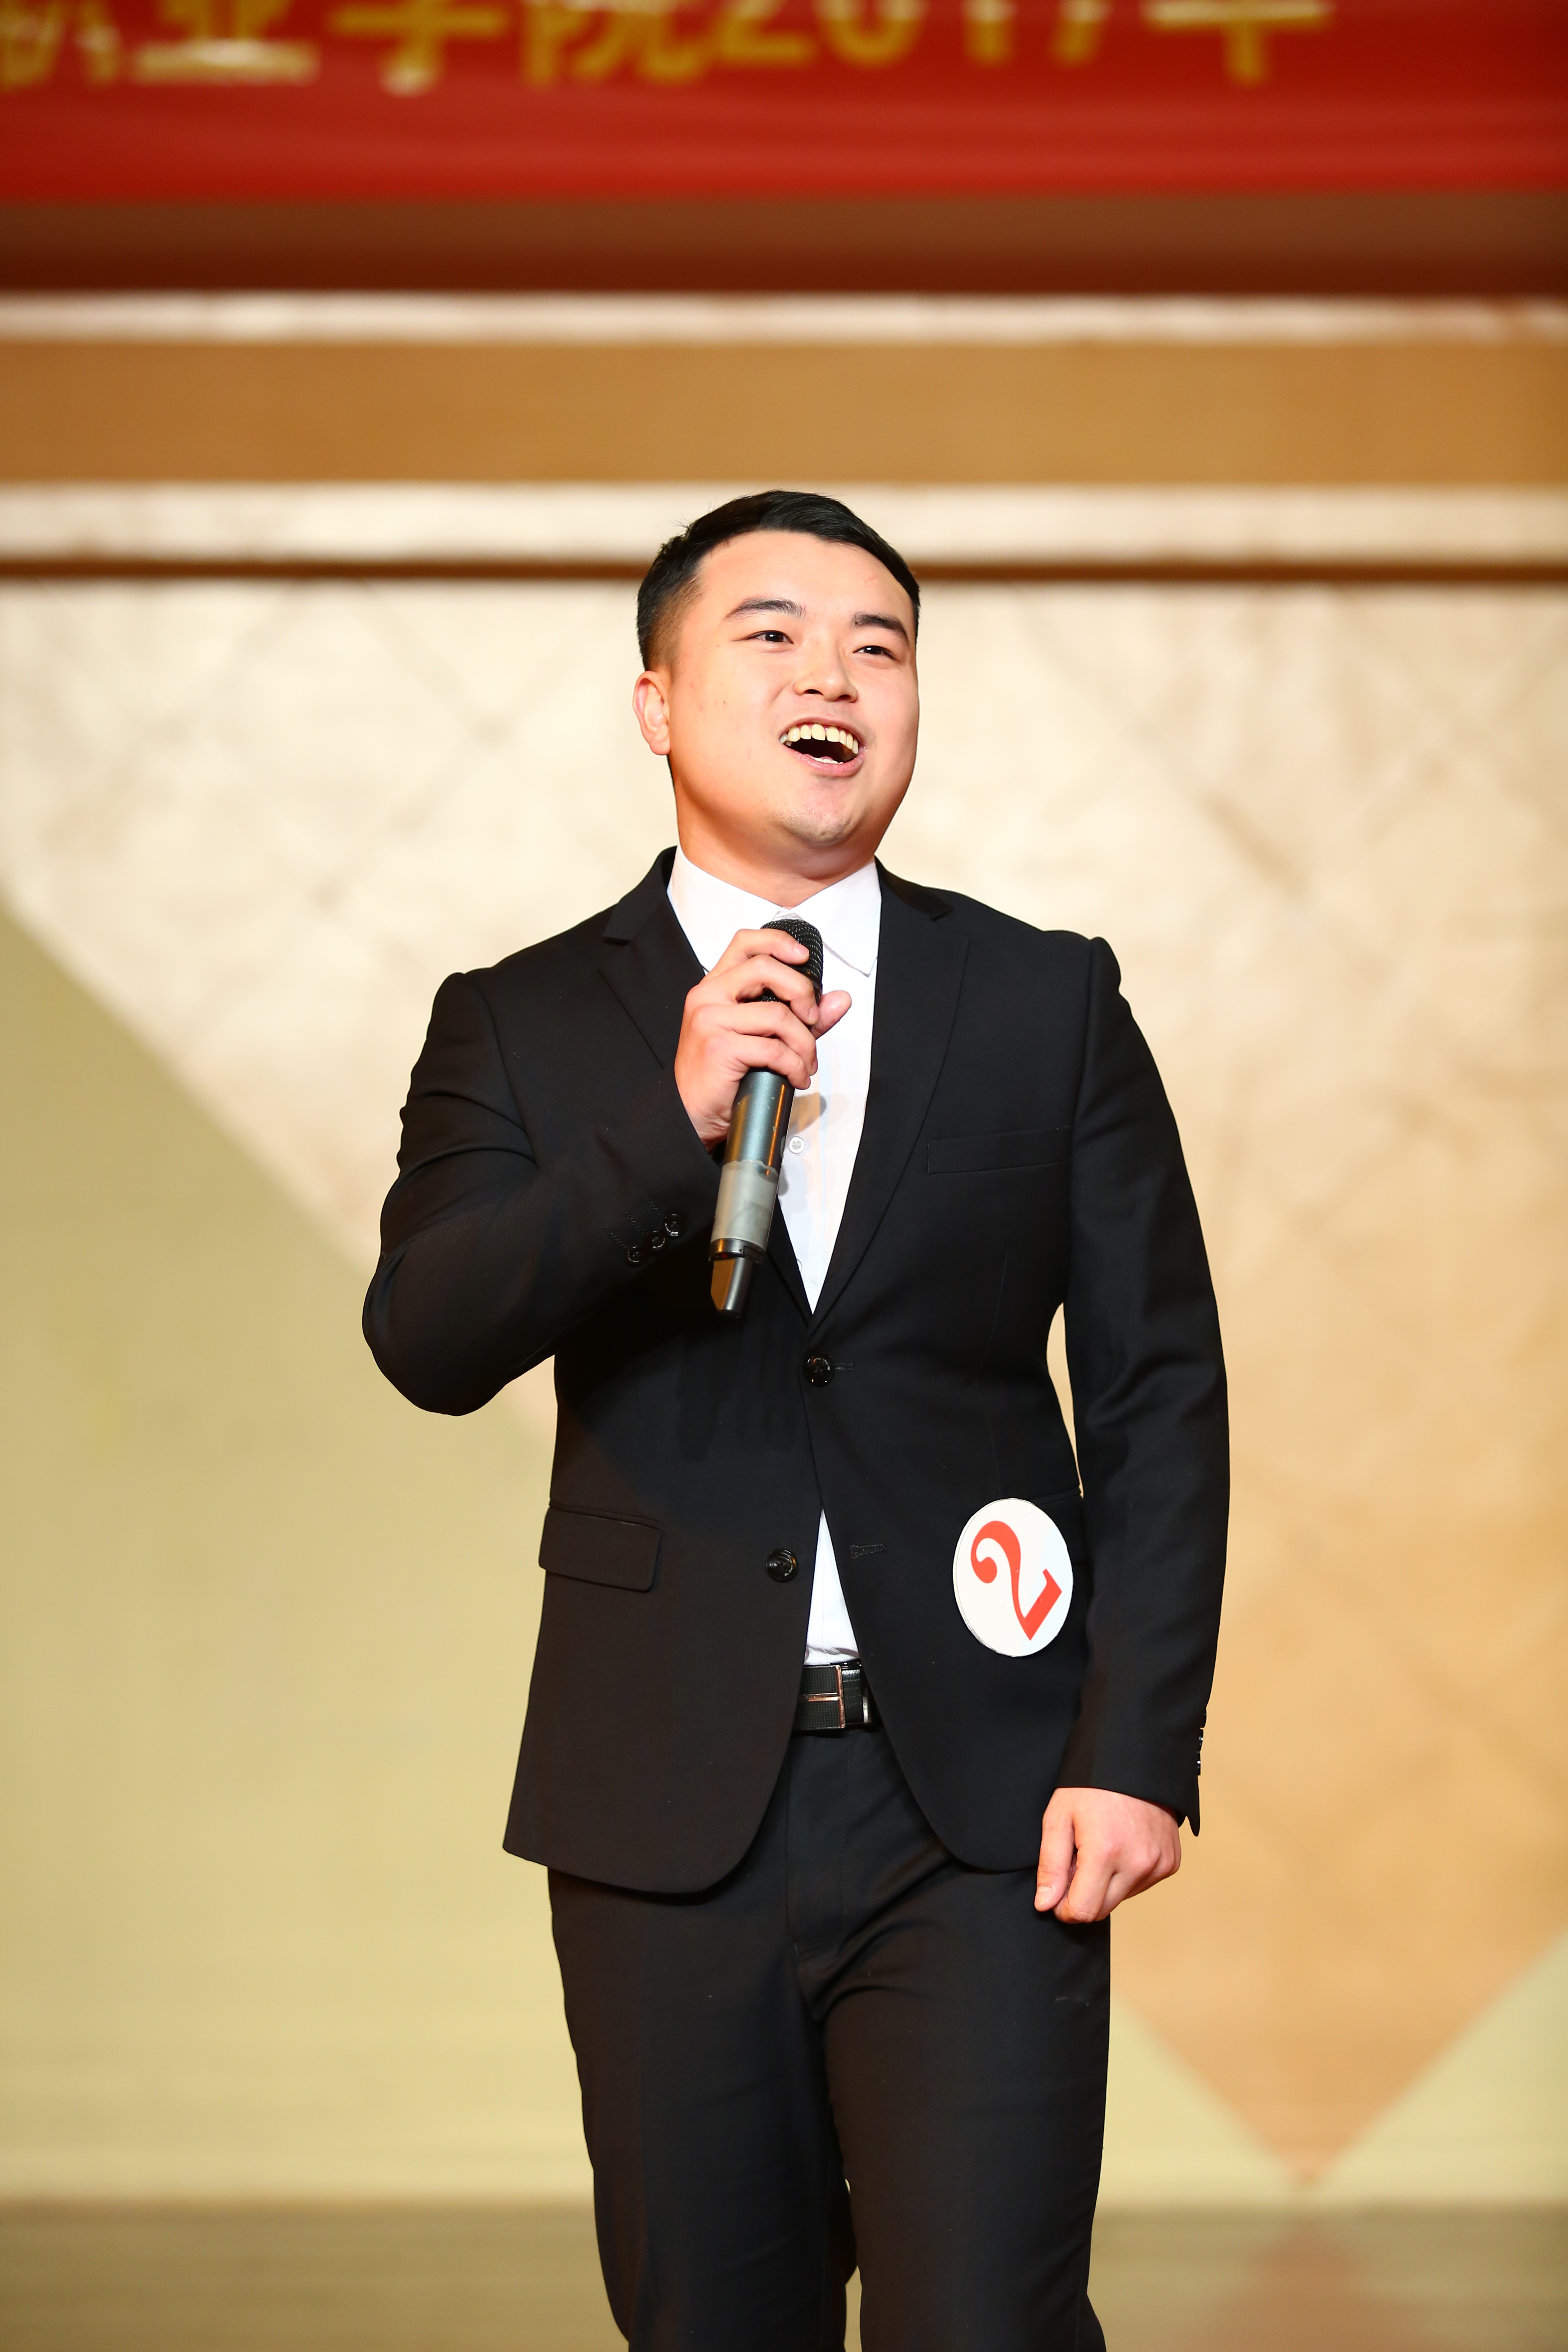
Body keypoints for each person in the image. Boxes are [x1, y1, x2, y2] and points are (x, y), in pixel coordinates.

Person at [364, 489, 1227, 2352]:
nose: (834, 676)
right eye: (771, 635)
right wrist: (664, 1130)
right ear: (658, 702)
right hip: (665, 1794)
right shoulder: (520, 1022)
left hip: (982, 1804)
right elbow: (428, 1334)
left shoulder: (1047, 1001)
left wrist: (1139, 1749)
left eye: (879, 647)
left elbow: (1160, 1392)